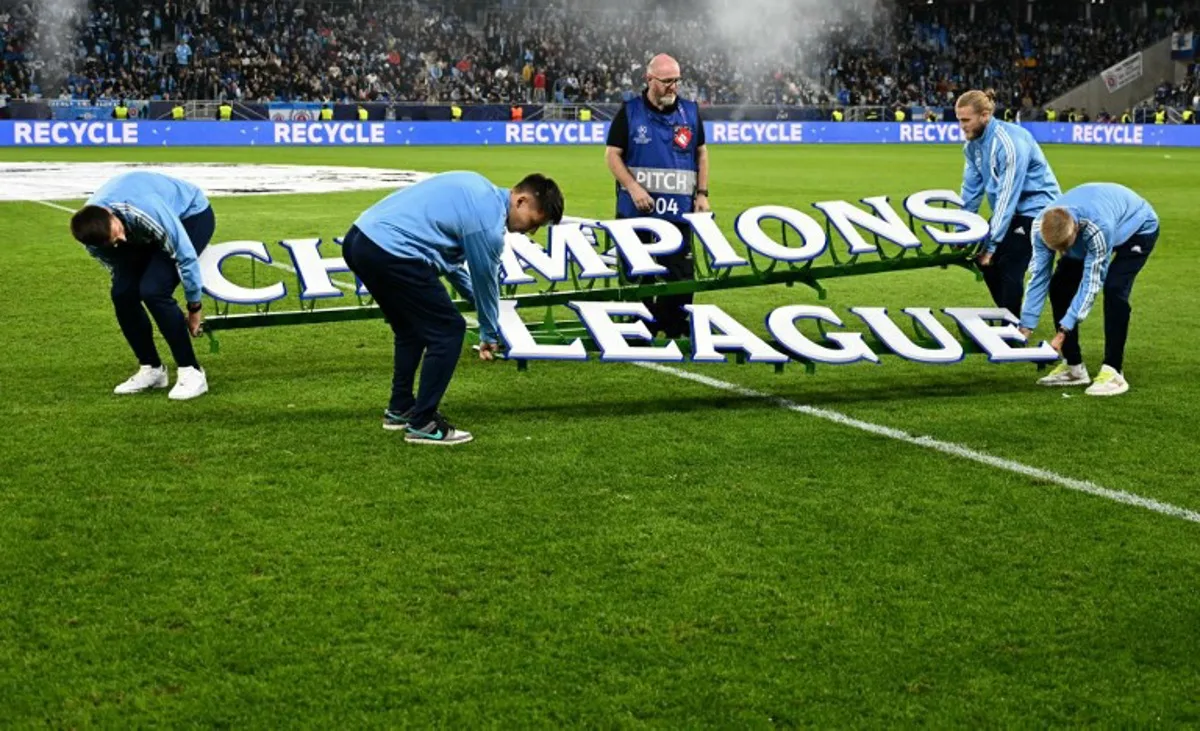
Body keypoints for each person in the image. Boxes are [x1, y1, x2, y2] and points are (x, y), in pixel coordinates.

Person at [340, 172, 564, 445]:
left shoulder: (478, 190)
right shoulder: (487, 225)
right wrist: (489, 333)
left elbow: (453, 269)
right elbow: (485, 282)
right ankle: (423, 422)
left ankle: (400, 408)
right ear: (520, 200)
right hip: (392, 250)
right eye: (533, 222)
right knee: (448, 330)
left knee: (410, 329)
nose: (530, 231)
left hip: (359, 241)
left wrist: (484, 312)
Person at [69, 172, 216, 400]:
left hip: (191, 215)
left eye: (118, 232)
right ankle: (152, 369)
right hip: (139, 229)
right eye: (115, 242)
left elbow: (185, 256)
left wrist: (194, 308)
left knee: (154, 290)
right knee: (122, 293)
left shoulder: (143, 209)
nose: (122, 241)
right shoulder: (94, 241)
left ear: (111, 216)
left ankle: (192, 371)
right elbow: (118, 266)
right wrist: (127, 276)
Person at [604, 53, 709, 339]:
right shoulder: (630, 112)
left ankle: (675, 325)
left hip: (678, 213)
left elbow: (701, 152)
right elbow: (612, 156)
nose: (673, 86)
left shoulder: (689, 111)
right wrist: (634, 187)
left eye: (676, 80)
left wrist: (702, 193)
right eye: (666, 81)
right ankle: (639, 327)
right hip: (636, 213)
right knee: (638, 273)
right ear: (649, 80)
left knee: (680, 275)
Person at [1018, 183, 1158, 397]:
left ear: (1075, 229)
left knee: (1114, 289)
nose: (1063, 252)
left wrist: (1064, 330)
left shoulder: (1097, 227)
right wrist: (1026, 325)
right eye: (1059, 249)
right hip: (1092, 224)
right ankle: (1073, 367)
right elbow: (1039, 276)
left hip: (1137, 228)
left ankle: (1113, 370)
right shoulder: (1039, 227)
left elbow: (1091, 284)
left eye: (1065, 246)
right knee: (1059, 286)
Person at [956, 88, 1061, 318]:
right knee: (985, 263)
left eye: (966, 120)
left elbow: (1007, 194)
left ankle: (1011, 328)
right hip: (1011, 212)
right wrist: (961, 233)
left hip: (1039, 210)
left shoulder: (1010, 142)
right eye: (959, 120)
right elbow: (970, 193)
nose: (961, 126)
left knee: (1009, 264)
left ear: (985, 115)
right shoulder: (972, 147)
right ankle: (1009, 315)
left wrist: (992, 245)